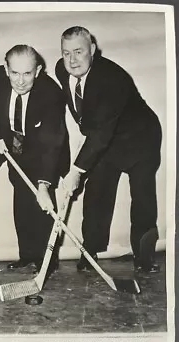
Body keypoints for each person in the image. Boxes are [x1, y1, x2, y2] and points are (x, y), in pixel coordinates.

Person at [55, 26, 162, 273]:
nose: (72, 60)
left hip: (140, 139)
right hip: (106, 139)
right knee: (97, 192)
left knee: (143, 197)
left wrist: (76, 170)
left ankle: (144, 259)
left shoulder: (112, 78)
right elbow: (88, 121)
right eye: (66, 52)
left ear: (93, 49)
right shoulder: (63, 70)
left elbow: (101, 133)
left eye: (79, 51)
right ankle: (90, 254)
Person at [0, 45, 69, 277]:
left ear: (38, 70)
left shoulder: (51, 94)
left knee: (42, 201)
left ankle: (47, 260)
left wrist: (44, 184)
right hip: (15, 146)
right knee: (21, 199)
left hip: (44, 148)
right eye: (14, 73)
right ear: (6, 69)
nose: (20, 81)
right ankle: (27, 255)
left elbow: (52, 141)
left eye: (27, 74)